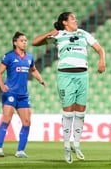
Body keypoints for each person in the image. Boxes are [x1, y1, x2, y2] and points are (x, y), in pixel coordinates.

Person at [32, 12, 106, 164]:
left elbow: (99, 49)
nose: (76, 20)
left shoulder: (83, 33)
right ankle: (66, 147)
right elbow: (34, 42)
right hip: (65, 76)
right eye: (72, 18)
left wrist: (101, 61)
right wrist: (48, 34)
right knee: (68, 112)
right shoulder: (59, 35)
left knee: (80, 112)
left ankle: (76, 145)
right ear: (65, 22)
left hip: (83, 75)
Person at [0, 31, 46, 158]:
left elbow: (33, 70)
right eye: (22, 40)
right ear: (15, 42)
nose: (25, 42)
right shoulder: (9, 56)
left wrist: (40, 79)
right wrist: (2, 85)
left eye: (25, 40)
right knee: (7, 119)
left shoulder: (29, 57)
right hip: (10, 92)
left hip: (23, 95)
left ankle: (20, 151)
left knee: (27, 121)